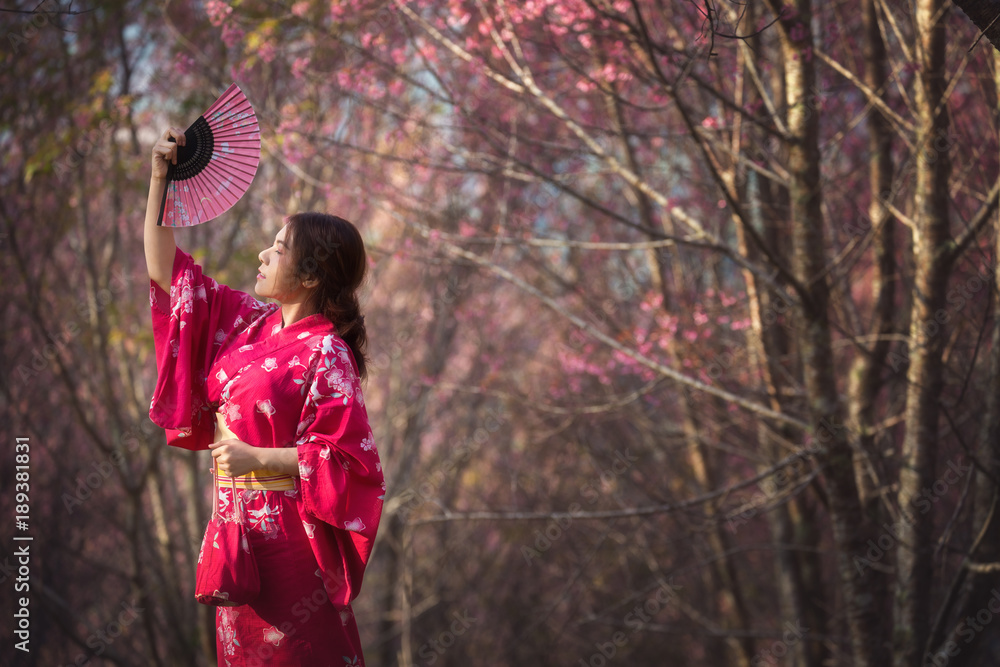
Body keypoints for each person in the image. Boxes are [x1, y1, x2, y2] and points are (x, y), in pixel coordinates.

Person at [144, 127, 384, 666]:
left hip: (289, 546)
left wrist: (261, 458)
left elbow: (355, 465)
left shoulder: (328, 353)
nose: (262, 254)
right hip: (232, 539)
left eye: (278, 249)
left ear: (310, 272)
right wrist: (161, 180)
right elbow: (168, 275)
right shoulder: (247, 325)